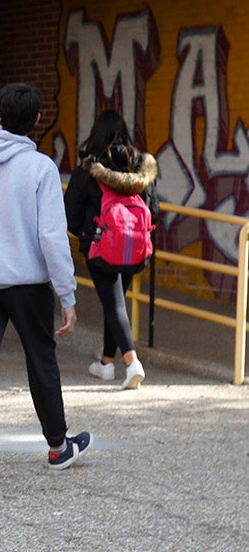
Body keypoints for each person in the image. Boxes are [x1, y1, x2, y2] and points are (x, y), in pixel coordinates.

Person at [0, 83, 91, 487]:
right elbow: (52, 237)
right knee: (41, 359)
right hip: (27, 283)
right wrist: (66, 294)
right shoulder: (40, 168)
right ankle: (58, 447)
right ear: (36, 121)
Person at [64, 109, 159, 390]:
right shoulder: (141, 167)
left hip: (101, 248)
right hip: (134, 248)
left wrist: (87, 235)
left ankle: (132, 363)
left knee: (114, 303)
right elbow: (153, 209)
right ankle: (106, 363)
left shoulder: (89, 170)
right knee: (114, 303)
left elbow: (69, 213)